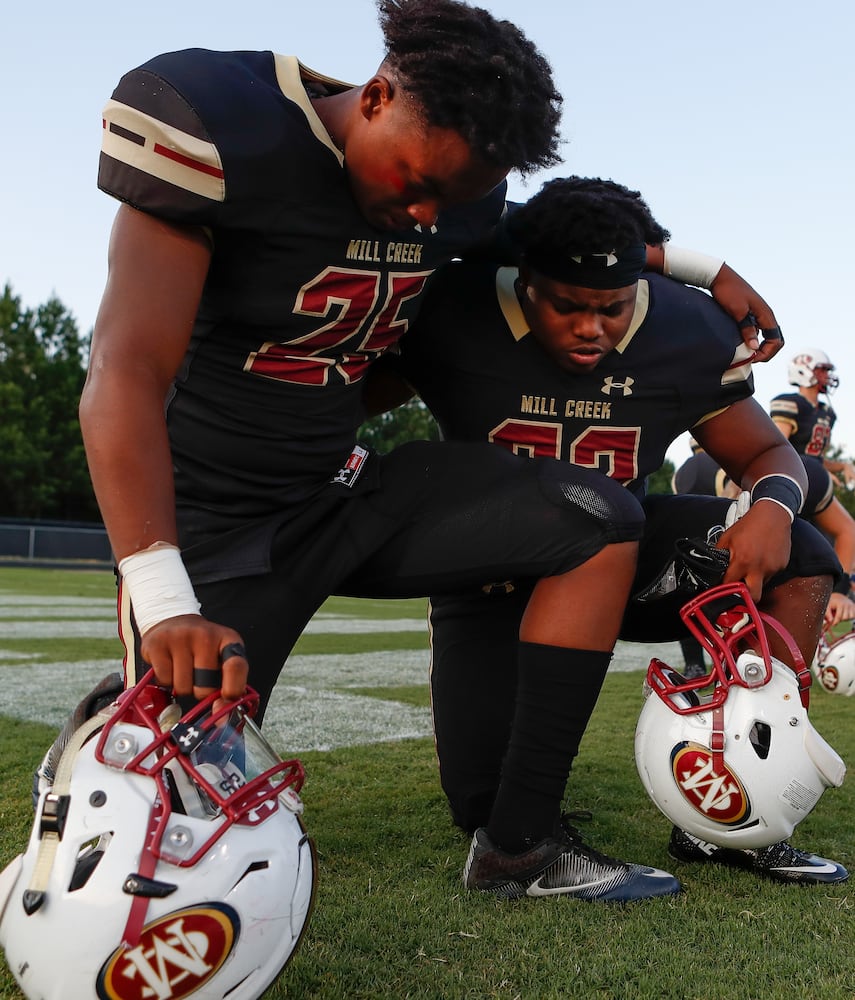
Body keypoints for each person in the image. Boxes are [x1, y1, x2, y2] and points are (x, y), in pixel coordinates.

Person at [369, 175, 848, 886]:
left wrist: (774, 509)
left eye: (612, 309)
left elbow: (763, 453)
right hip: (488, 571)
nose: (591, 328)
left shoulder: (683, 330)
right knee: (482, 806)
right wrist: (702, 264)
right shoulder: (454, 308)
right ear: (522, 280)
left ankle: (733, 814)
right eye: (566, 306)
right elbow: (355, 378)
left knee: (802, 553)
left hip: (616, 564)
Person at [673, 446, 855, 644]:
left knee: (811, 554)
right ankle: (695, 664)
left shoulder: (812, 477)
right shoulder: (708, 480)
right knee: (694, 581)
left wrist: (839, 592)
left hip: (770, 491)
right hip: (722, 499)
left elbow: (847, 530)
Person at [770, 350, 855, 488]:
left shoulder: (826, 412)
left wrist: (844, 466)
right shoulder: (791, 403)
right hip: (786, 476)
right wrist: (817, 472)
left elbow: (816, 459)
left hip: (809, 476)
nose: (827, 375)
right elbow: (779, 451)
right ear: (804, 371)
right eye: (823, 370)